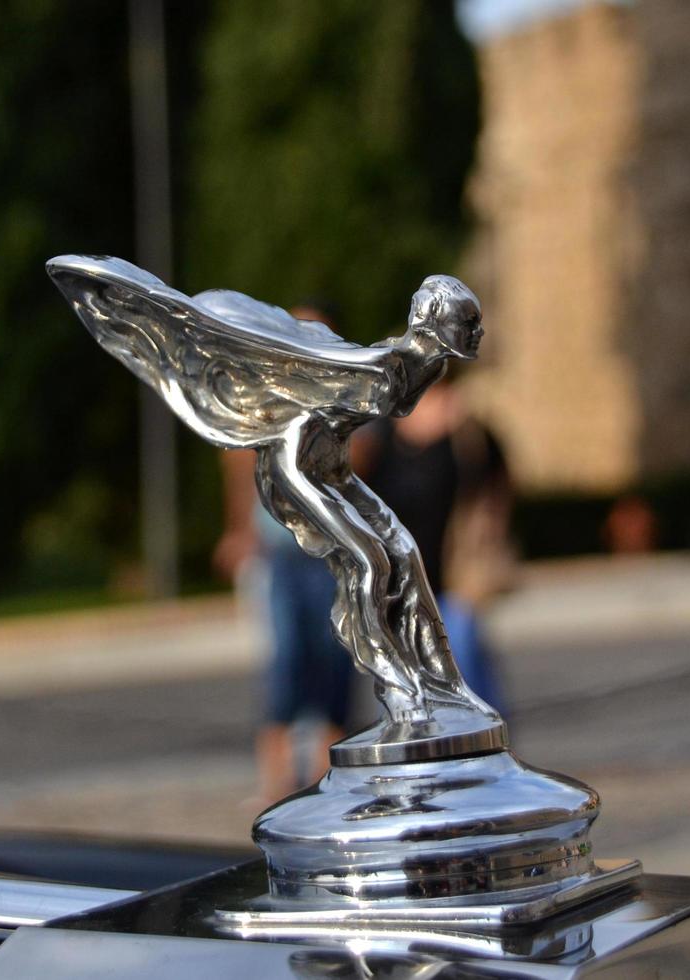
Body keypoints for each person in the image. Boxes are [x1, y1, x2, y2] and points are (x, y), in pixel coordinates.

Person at [212, 304, 356, 806]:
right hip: (281, 552)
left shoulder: (339, 397)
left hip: (327, 549)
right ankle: (276, 777)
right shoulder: (264, 397)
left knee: (334, 657)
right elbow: (237, 464)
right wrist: (238, 531)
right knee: (287, 660)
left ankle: (326, 768)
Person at [354, 376, 512, 714]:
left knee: (465, 668)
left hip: (456, 577)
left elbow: (497, 482)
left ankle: (487, 745)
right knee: (404, 686)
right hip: (400, 587)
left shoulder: (463, 433)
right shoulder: (382, 436)